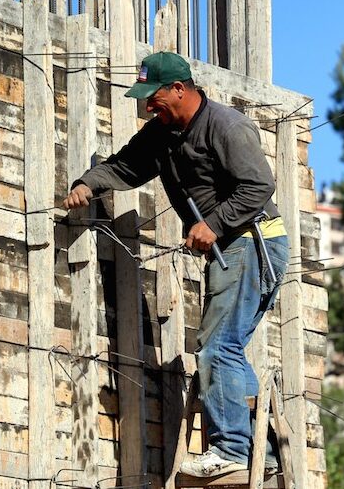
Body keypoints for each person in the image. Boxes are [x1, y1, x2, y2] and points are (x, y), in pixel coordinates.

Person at [62, 52, 288, 477]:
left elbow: (259, 185)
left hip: (253, 241)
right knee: (227, 347)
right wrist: (87, 184)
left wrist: (213, 225)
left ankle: (234, 450)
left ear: (180, 89)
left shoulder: (226, 126)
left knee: (217, 346)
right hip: (232, 246)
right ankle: (266, 452)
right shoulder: (162, 134)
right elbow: (125, 167)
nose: (148, 105)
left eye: (154, 96)